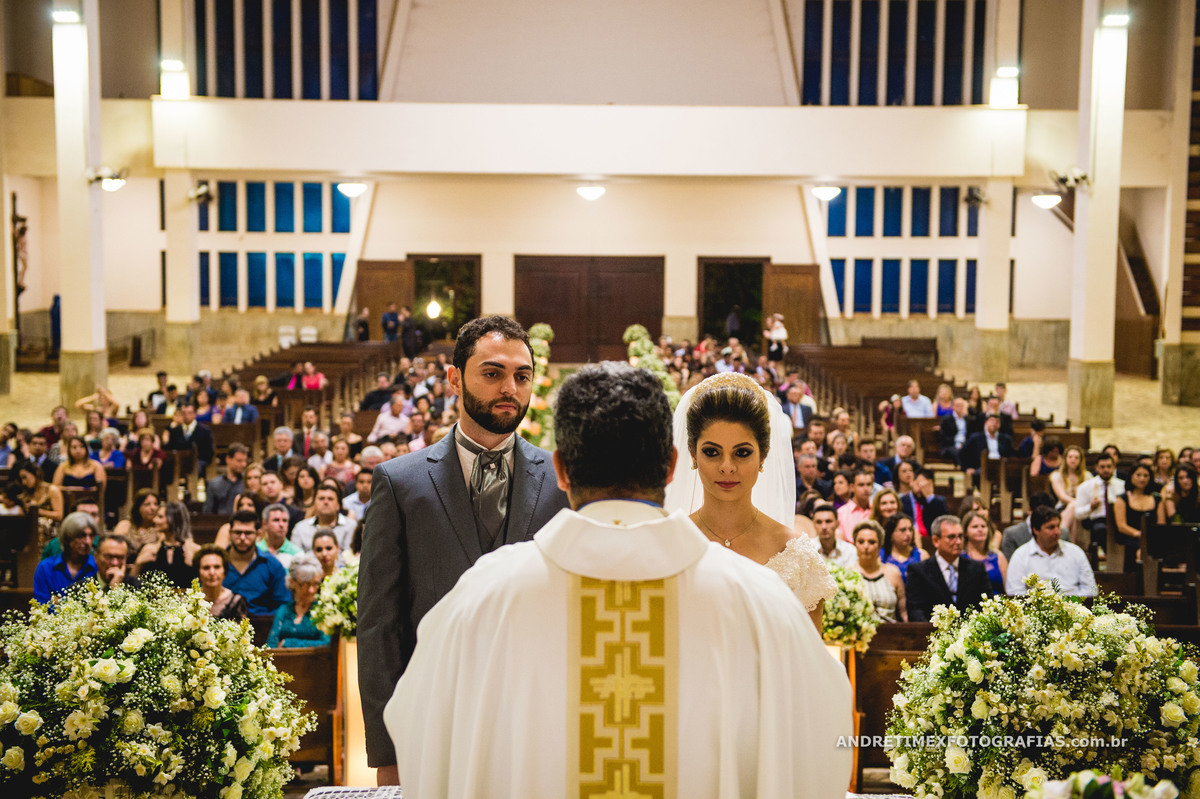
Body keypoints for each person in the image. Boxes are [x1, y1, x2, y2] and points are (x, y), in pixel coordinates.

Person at [383, 360, 852, 798]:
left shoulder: (484, 596)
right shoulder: (761, 601)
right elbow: (820, 734)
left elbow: (420, 732)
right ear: (672, 465)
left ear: (560, 469)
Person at [360, 315, 571, 783]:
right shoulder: (400, 483)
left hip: (534, 734)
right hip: (431, 728)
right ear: (455, 377)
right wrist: (387, 754)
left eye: (522, 376)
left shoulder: (561, 483)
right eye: (492, 373)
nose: (509, 389)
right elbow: (379, 626)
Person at [664, 372, 835, 629]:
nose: (727, 467)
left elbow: (806, 665)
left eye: (742, 453)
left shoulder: (797, 557)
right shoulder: (668, 544)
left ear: (763, 456)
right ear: (693, 454)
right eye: (712, 452)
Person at [904, 515, 990, 622]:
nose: (958, 542)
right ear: (936, 540)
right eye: (951, 537)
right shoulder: (918, 571)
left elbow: (986, 606)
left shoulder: (976, 569)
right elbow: (915, 610)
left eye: (960, 536)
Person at [1006, 506, 1097, 597]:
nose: (1057, 532)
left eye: (1058, 526)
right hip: (1037, 607)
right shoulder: (1021, 555)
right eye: (1051, 527)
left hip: (1073, 605)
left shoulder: (1075, 552)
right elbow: (1015, 592)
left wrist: (1072, 605)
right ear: (1036, 530)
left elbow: (1090, 589)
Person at [223, 509, 291, 617]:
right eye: (237, 532)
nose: (242, 538)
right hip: (221, 625)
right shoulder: (217, 563)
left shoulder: (272, 565)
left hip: (262, 625)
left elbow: (282, 605)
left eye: (248, 533)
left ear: (258, 534)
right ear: (229, 533)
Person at [265, 555, 332, 648]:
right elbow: (270, 645)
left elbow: (326, 643)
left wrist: (288, 643)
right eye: (306, 584)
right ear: (292, 582)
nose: (311, 590)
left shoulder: (322, 610)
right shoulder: (284, 610)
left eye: (315, 584)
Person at [33, 511, 99, 603]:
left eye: (91, 536)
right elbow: (42, 606)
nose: (88, 542)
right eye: (81, 536)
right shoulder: (46, 568)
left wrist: (59, 602)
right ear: (68, 538)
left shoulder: (98, 566)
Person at [133, 501, 200, 588]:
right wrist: (138, 564)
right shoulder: (149, 548)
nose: (154, 520)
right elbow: (132, 581)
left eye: (160, 517)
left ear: (173, 519)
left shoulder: (194, 550)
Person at [852, 520, 907, 622]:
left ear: (880, 544)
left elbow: (904, 612)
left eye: (872, 542)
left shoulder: (893, 572)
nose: (866, 546)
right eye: (861, 541)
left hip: (891, 632)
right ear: (855, 544)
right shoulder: (848, 573)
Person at [1074, 451, 1125, 556]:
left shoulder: (1122, 485)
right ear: (1096, 468)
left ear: (1114, 467)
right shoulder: (1086, 486)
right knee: (1100, 529)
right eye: (1102, 467)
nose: (1106, 470)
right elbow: (1078, 514)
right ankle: (1109, 555)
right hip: (1097, 520)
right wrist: (1090, 507)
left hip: (1119, 520)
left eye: (1109, 466)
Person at [1111, 463, 1158, 572]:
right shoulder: (1122, 499)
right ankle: (1133, 583)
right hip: (1130, 537)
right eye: (1138, 475)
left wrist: (1147, 536)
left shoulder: (1157, 498)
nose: (1142, 479)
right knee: (1133, 548)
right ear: (1131, 476)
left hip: (1152, 536)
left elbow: (1160, 523)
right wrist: (1138, 534)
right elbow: (1121, 526)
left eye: (1146, 476)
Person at [291, 484, 356, 555]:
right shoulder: (300, 528)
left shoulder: (351, 526)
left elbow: (352, 557)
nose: (325, 502)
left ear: (338, 505)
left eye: (330, 499)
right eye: (321, 498)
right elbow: (296, 559)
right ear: (314, 503)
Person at [197, 544, 250, 620]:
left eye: (217, 567)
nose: (212, 572)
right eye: (206, 568)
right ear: (198, 572)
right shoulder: (188, 600)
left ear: (224, 570)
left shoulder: (236, 602)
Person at [962, 510, 1007, 596]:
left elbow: (1008, 589)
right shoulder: (960, 557)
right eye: (975, 527)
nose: (980, 530)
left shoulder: (998, 556)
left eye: (983, 526)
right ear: (965, 532)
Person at [960, 413, 1015, 480]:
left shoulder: (1006, 439)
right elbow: (962, 454)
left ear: (999, 425)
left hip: (1001, 466)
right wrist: (967, 468)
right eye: (992, 421)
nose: (994, 424)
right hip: (982, 467)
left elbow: (1012, 455)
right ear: (986, 423)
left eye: (997, 422)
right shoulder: (975, 438)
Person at [203, 442, 248, 515]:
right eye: (239, 461)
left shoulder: (247, 482)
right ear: (228, 459)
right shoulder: (214, 485)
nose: (243, 464)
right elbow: (208, 512)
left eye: (245, 461)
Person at [113, 489, 160, 554]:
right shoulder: (126, 525)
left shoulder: (159, 529)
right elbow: (114, 548)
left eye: (156, 504)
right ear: (138, 507)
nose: (153, 508)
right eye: (147, 504)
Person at [883, 513, 927, 580]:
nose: (908, 534)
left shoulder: (922, 555)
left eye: (910, 529)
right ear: (890, 533)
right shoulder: (880, 555)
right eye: (903, 530)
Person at [258, 503, 302, 568]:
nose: (281, 524)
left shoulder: (297, 554)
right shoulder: (255, 550)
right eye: (276, 520)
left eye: (285, 521)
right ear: (264, 524)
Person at [813, 502, 857, 567]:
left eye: (828, 521)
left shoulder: (849, 551)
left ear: (837, 523)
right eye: (819, 522)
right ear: (813, 524)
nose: (824, 527)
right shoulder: (807, 549)